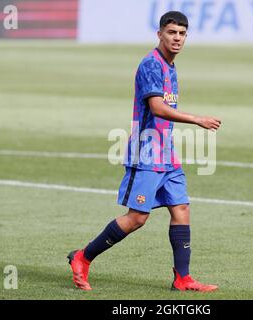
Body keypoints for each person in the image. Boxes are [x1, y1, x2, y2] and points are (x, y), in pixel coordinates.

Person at [67, 11, 221, 292]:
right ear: (160, 34)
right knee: (137, 218)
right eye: (172, 32)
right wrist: (197, 119)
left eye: (182, 33)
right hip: (147, 153)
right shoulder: (151, 64)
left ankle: (182, 278)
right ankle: (82, 257)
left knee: (182, 209)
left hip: (167, 153)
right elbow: (158, 108)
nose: (177, 38)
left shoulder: (170, 65)